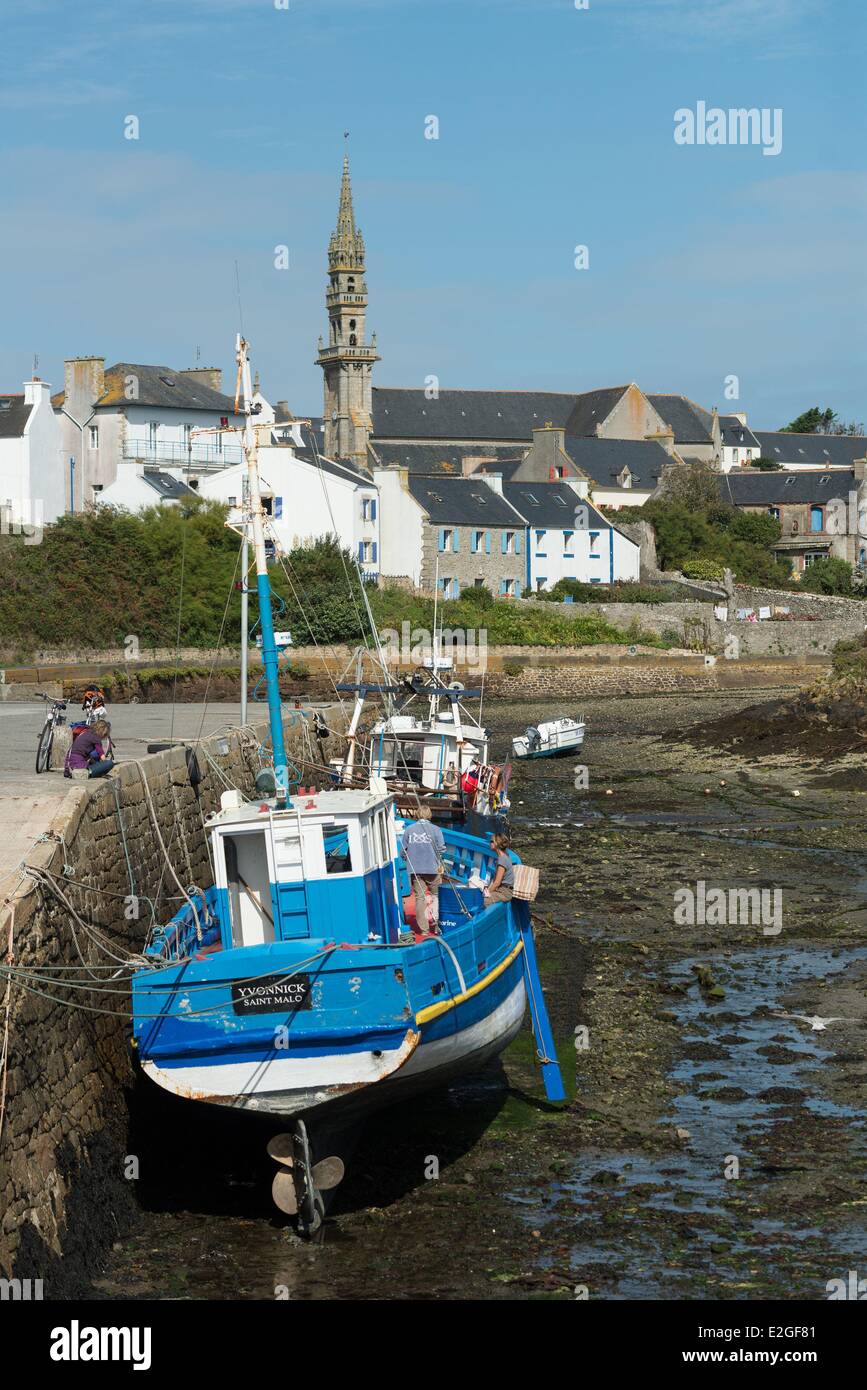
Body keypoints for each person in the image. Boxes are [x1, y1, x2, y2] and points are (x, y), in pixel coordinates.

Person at [400, 804, 445, 936]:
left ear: (417, 814)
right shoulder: (436, 829)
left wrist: (408, 859)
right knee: (436, 896)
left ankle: (424, 930)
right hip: (432, 868)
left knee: (419, 898)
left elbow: (403, 851)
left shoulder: (409, 829)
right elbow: (441, 848)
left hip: (415, 869)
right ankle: (437, 926)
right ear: (429, 815)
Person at [485, 832, 515, 904]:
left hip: (505, 892)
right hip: (503, 890)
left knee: (484, 901)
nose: (490, 843)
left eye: (492, 841)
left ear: (497, 843)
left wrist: (487, 893)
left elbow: (497, 883)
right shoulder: (504, 857)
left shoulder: (502, 860)